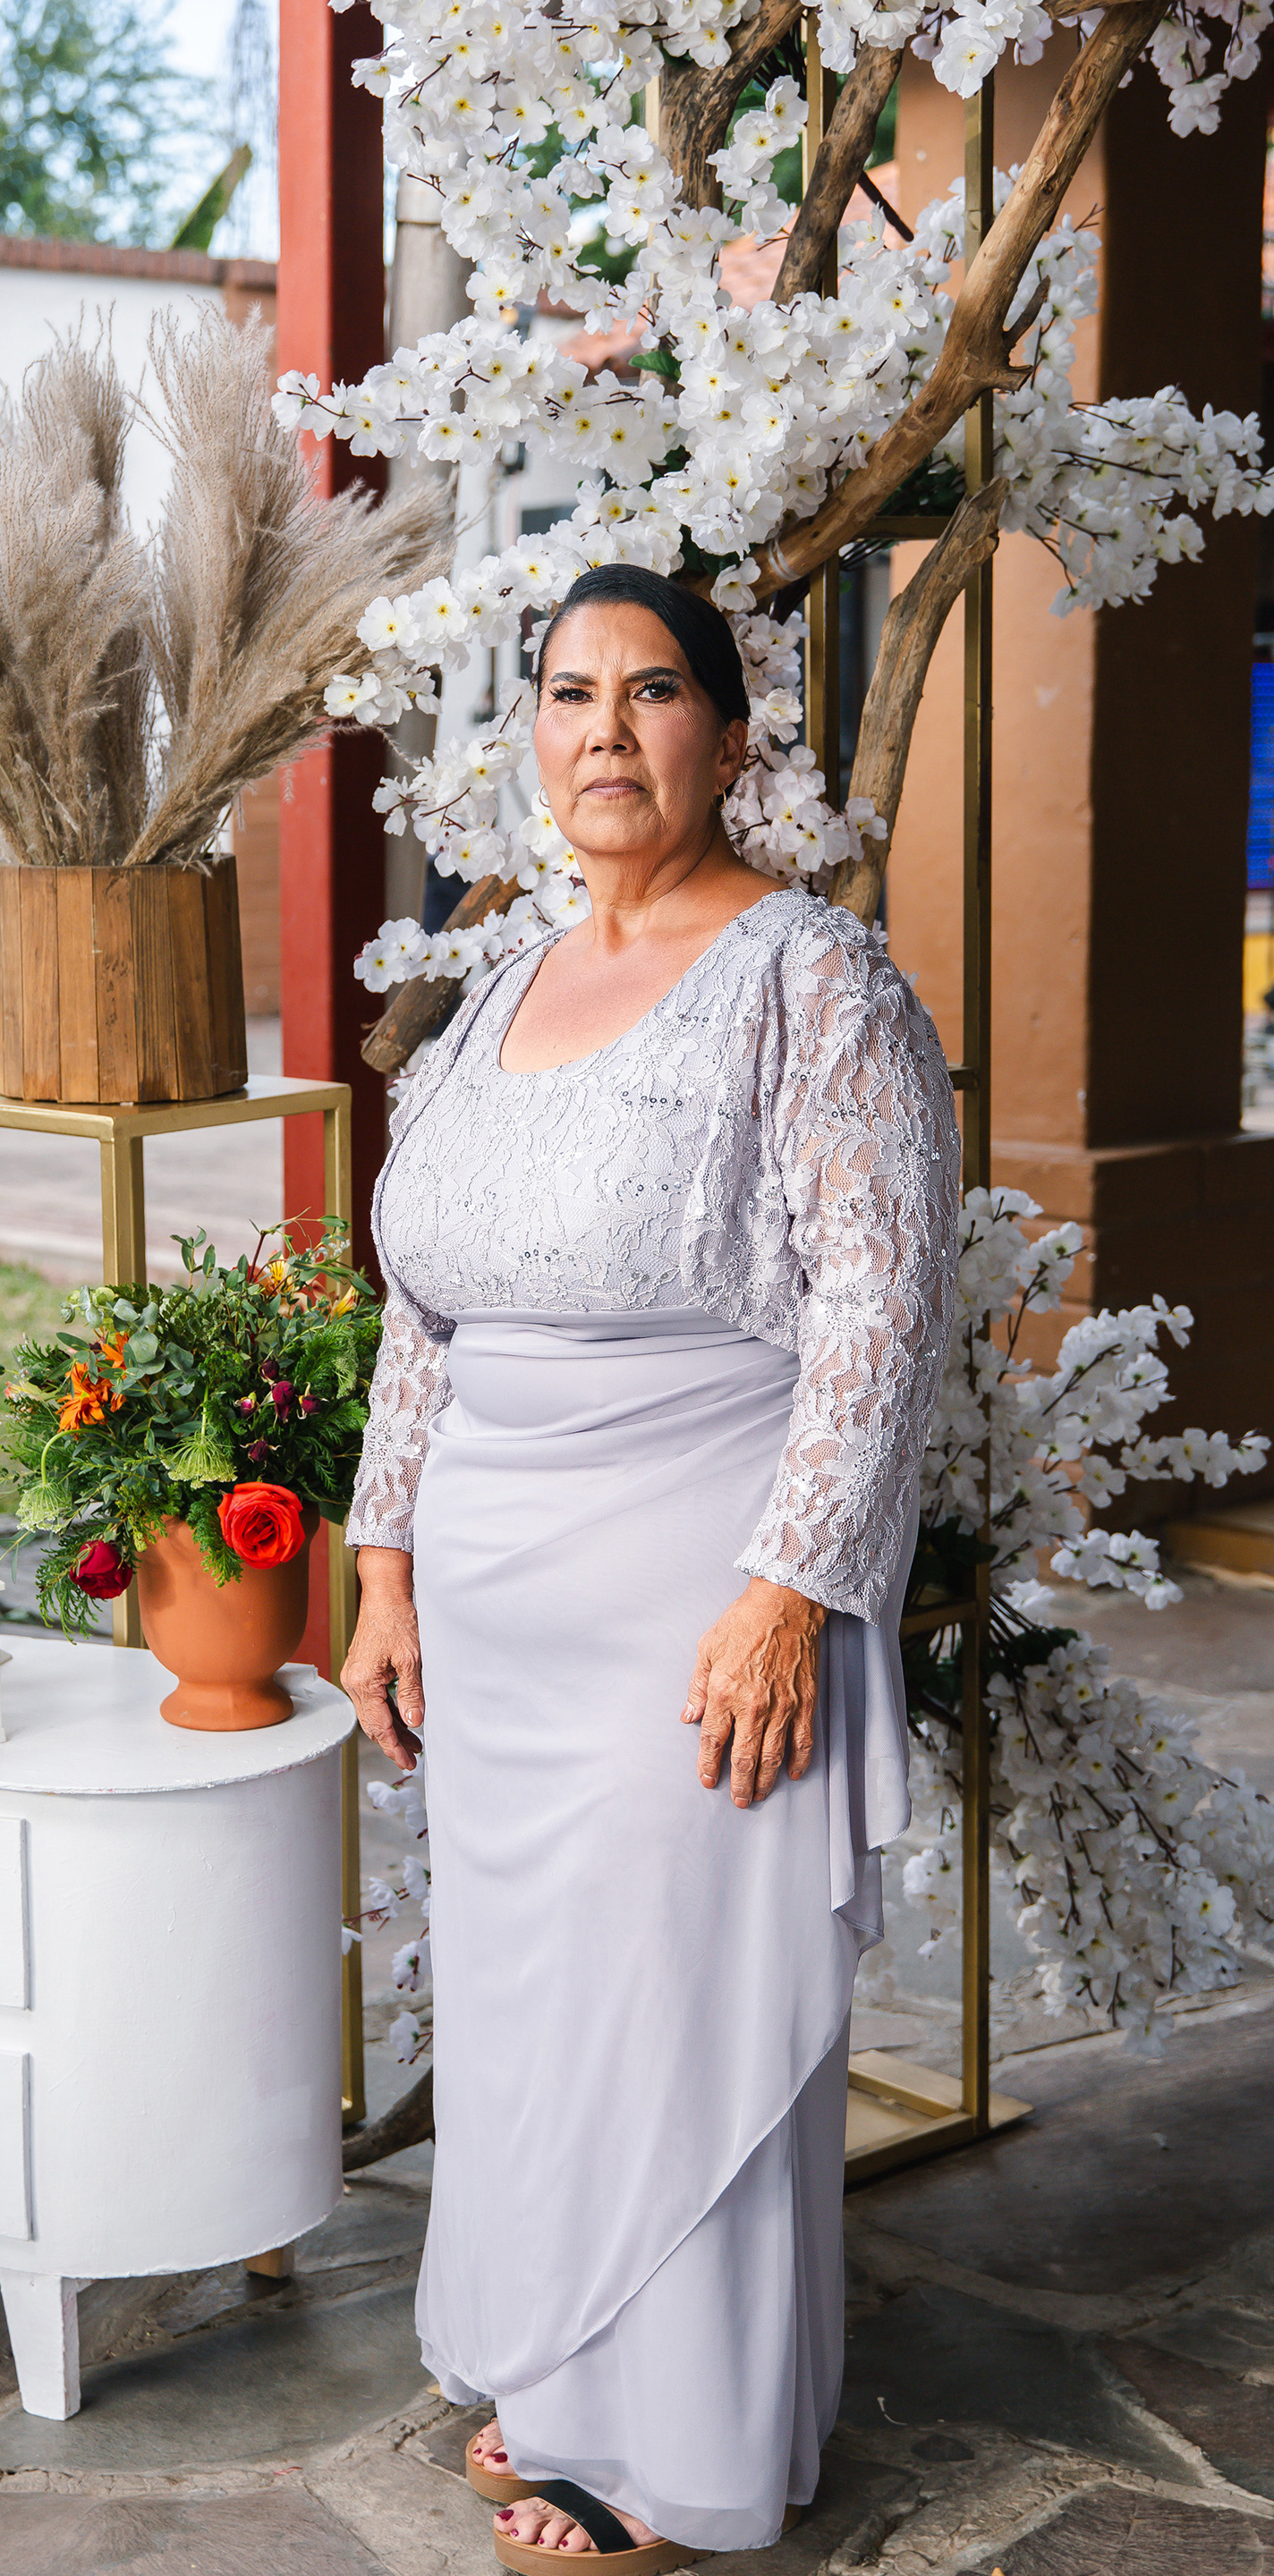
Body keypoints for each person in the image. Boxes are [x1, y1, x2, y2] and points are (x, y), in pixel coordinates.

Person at [341, 564, 959, 2571]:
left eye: (655, 691)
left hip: (698, 1583)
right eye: (569, 692)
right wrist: (383, 1565)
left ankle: (670, 2448)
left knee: (672, 1997)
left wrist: (789, 1595)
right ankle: (559, 2363)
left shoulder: (815, 979)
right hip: (496, 1603)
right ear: (531, 733)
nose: (605, 729)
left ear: (732, 735)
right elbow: (422, 1307)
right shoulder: (500, 984)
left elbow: (883, 1305)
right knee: (534, 2005)